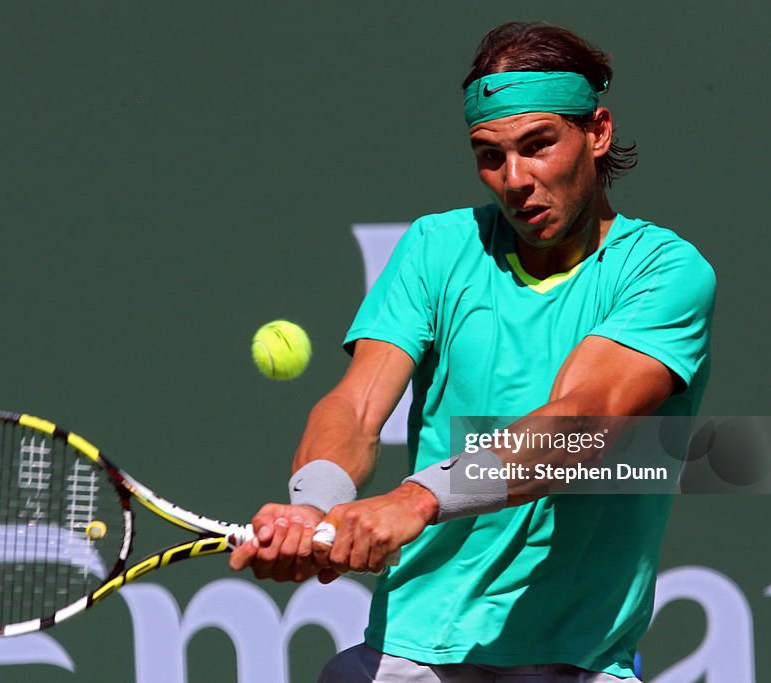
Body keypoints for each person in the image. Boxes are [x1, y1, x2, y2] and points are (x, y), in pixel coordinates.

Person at [231, 20, 715, 683]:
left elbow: (582, 422)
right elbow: (357, 403)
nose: (514, 178)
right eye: (490, 155)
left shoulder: (665, 272)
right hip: (413, 653)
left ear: (596, 132)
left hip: (578, 660)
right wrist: (313, 503)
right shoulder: (437, 248)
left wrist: (417, 499)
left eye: (538, 145)